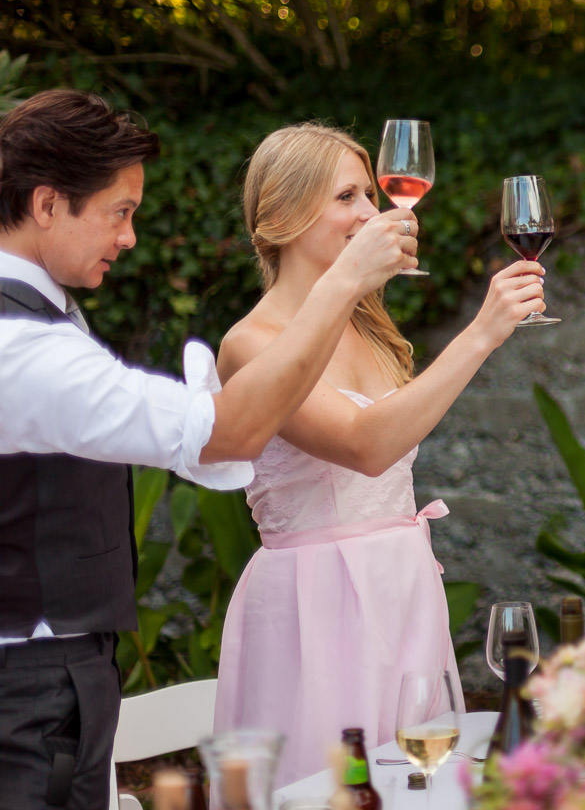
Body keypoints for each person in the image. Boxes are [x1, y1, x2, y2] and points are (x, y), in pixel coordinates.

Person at [0, 90, 415, 809]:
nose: (130, 236)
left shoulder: (46, 326)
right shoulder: (21, 348)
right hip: (27, 686)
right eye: (119, 211)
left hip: (60, 676)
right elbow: (225, 435)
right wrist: (346, 280)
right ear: (45, 205)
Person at [212, 123, 546, 786]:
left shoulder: (374, 328)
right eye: (346, 197)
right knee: (330, 787)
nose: (372, 212)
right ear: (279, 219)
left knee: (413, 780)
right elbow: (366, 446)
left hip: (401, 584)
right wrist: (481, 334)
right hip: (316, 604)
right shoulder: (251, 345)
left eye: (370, 193)